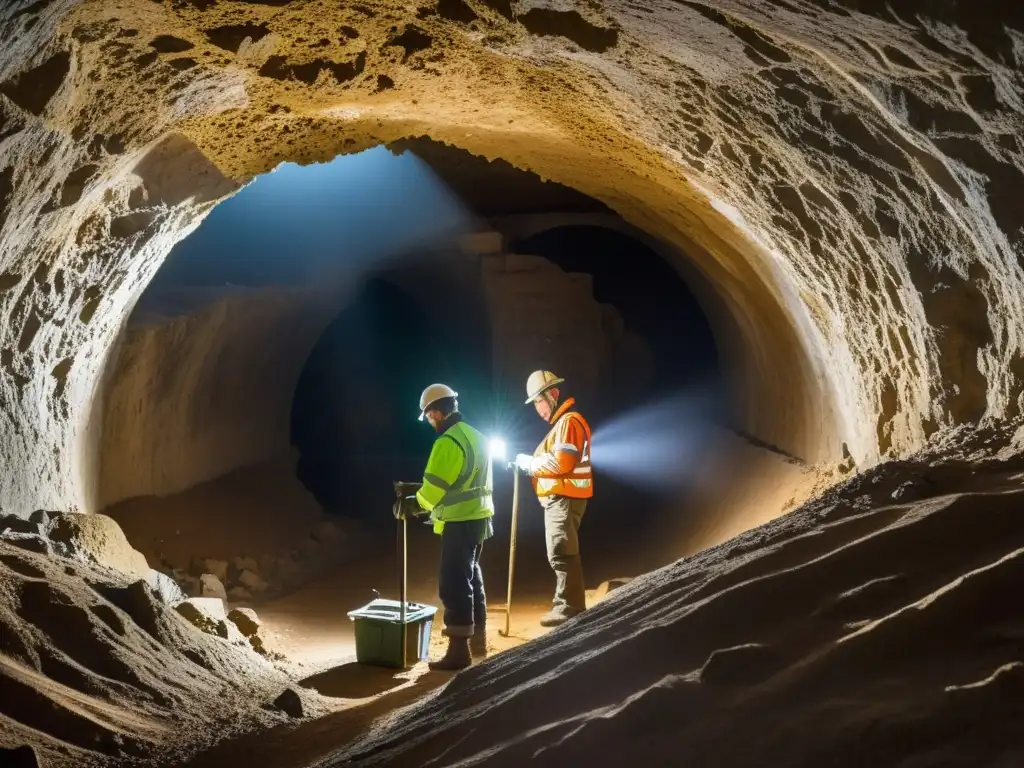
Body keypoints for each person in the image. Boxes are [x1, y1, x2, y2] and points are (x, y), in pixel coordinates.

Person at [413, 383, 494, 669]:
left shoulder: (447, 442)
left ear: (436, 412)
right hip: (480, 517)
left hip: (460, 521)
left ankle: (459, 652)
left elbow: (433, 490)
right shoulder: (476, 436)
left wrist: (414, 502)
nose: (430, 422)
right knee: (472, 575)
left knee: (454, 582)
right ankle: (478, 640)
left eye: (430, 416)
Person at [514, 370, 593, 627]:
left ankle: (569, 607)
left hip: (564, 497)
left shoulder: (569, 422)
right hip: (562, 497)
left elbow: (562, 463)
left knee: (562, 550)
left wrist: (530, 463)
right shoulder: (562, 425)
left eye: (539, 401)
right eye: (535, 403)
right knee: (560, 550)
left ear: (554, 394)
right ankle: (568, 604)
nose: (538, 409)